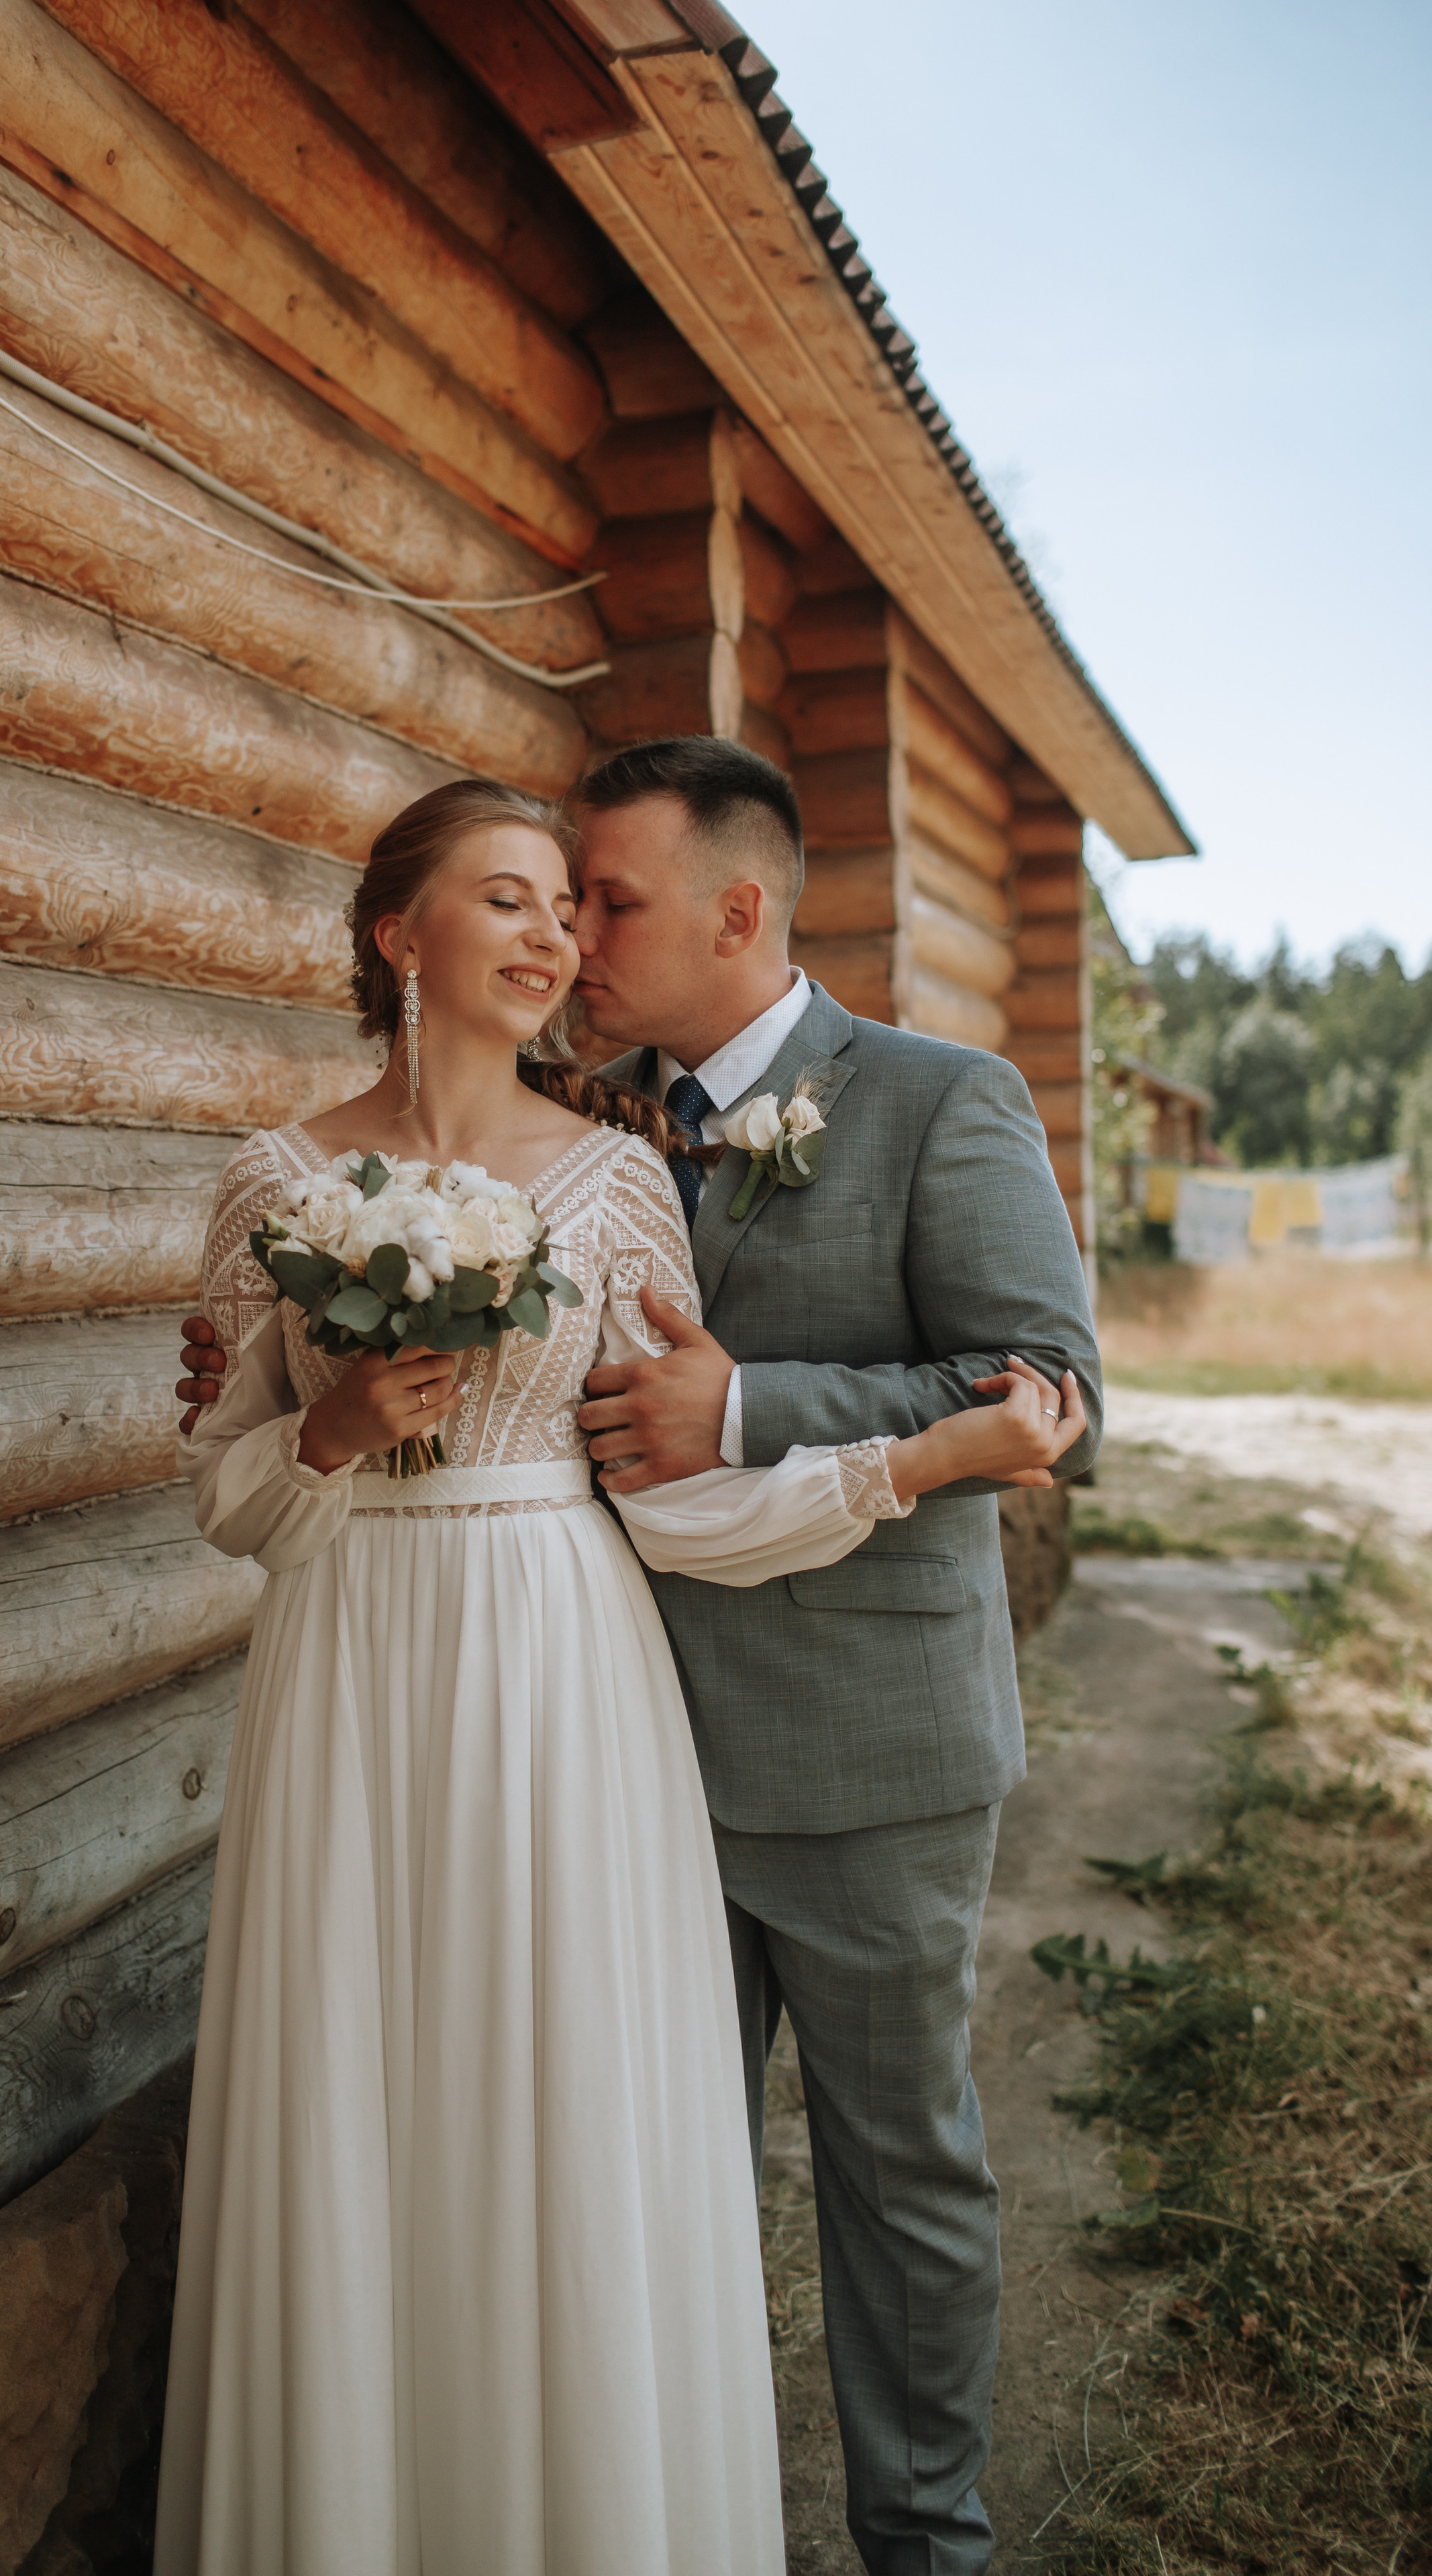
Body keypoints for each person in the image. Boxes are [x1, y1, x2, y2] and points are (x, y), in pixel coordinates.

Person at [160, 772, 1088, 2576]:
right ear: (394, 933)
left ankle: (871, 2539)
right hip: (365, 1690)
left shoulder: (663, 1165)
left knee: (684, 2160)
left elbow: (740, 1469)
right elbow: (230, 1483)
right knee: (411, 2117)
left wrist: (877, 1450)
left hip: (623, 1714)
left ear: (733, 914)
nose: (561, 936)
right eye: (517, 899)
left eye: (586, 903)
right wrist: (326, 1425)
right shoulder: (292, 1183)